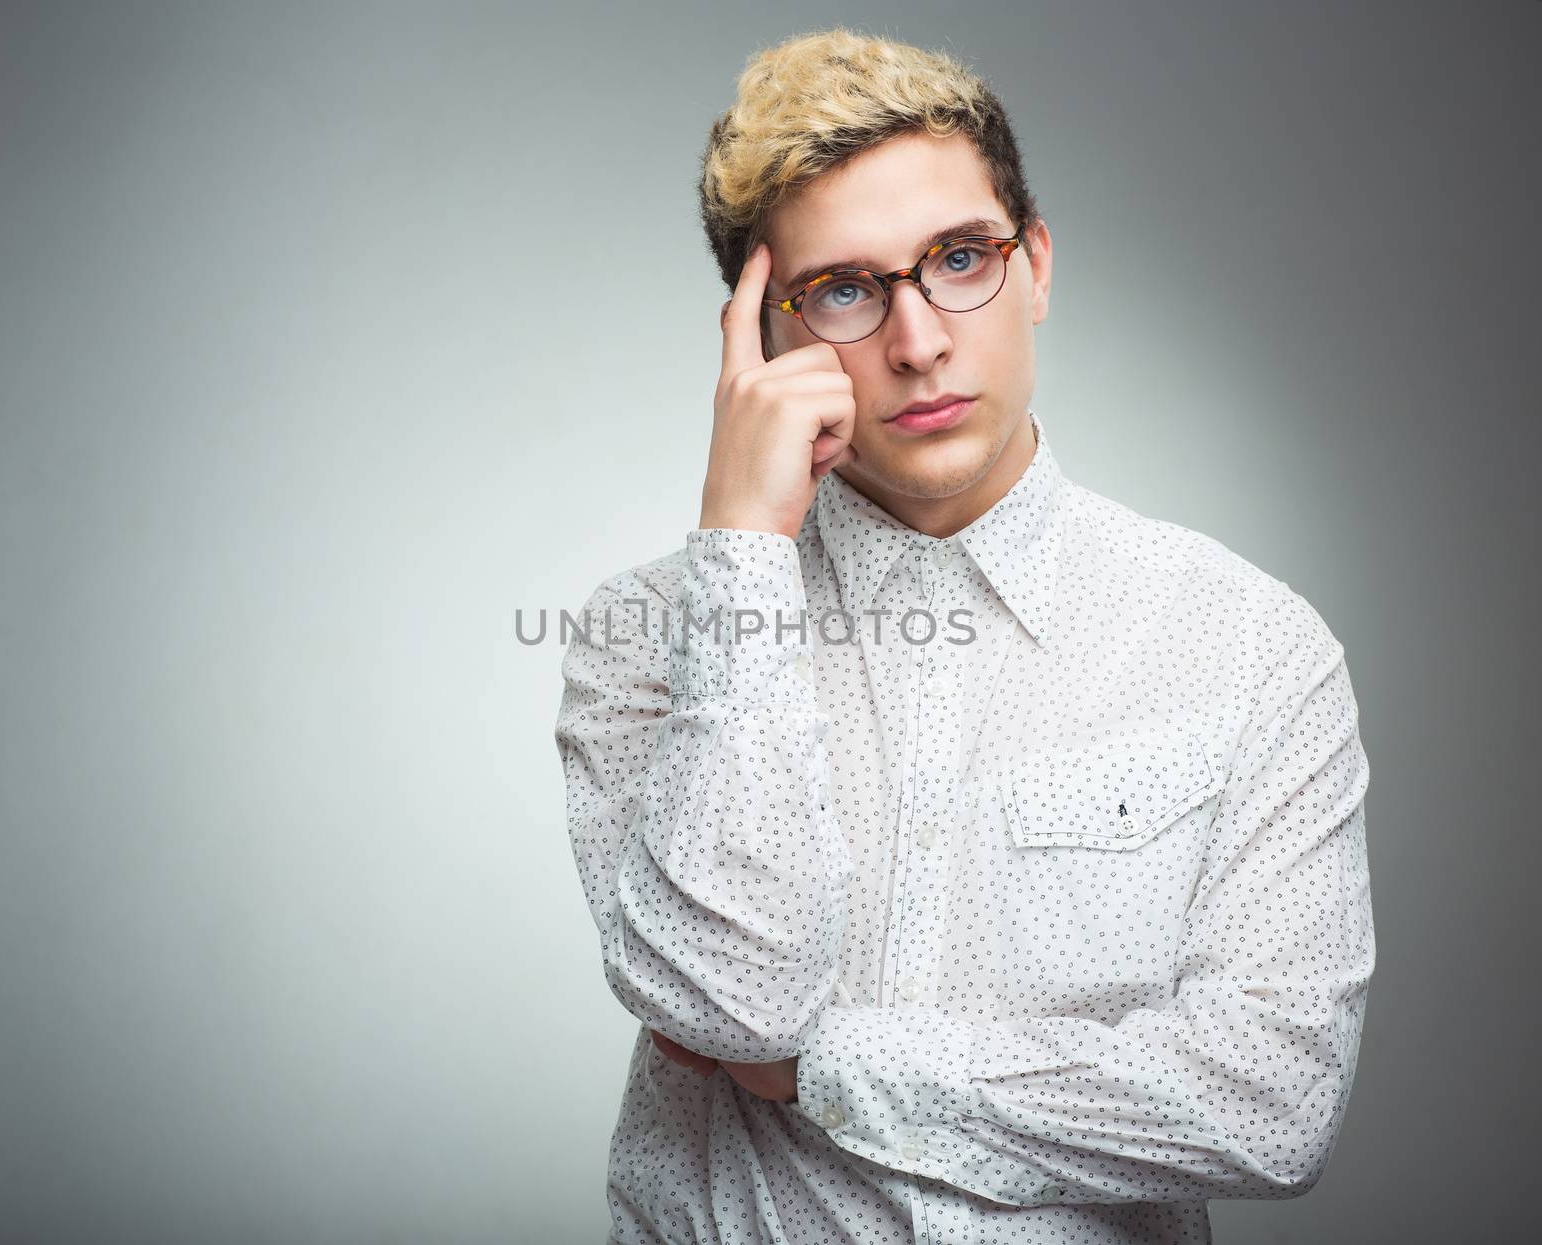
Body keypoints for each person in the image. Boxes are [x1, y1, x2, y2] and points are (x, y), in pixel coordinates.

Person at [554, 26, 1373, 1245]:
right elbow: (729, 1004)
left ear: (1034, 265)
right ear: (763, 338)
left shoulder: (1245, 644)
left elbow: (1267, 1104)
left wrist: (821, 1067)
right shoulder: (644, 636)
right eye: (842, 288)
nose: (919, 338)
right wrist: (743, 546)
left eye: (959, 258)